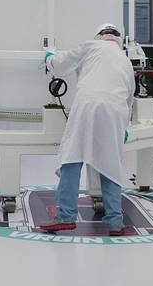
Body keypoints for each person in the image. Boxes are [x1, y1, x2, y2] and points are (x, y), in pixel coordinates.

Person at [38, 23, 135, 236]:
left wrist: (49, 57)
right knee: (110, 165)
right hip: (115, 111)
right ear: (119, 39)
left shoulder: (90, 46)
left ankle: (65, 216)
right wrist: (124, 127)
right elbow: (129, 98)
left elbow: (60, 65)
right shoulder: (126, 61)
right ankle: (115, 223)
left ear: (99, 36)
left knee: (72, 158)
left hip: (87, 104)